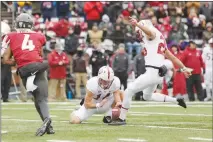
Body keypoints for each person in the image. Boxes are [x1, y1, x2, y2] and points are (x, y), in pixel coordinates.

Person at [109, 17, 193, 125]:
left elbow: (150, 33)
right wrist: (184, 68)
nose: (139, 35)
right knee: (147, 96)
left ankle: (121, 118)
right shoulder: (160, 38)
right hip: (158, 74)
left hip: (152, 72)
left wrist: (138, 25)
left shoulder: (151, 34)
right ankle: (176, 101)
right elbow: (173, 57)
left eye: (139, 32)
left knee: (128, 91)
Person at [2, 13, 54, 136]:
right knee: (42, 100)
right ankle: (48, 123)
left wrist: (16, 61)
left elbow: (5, 59)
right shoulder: (39, 36)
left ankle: (49, 125)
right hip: (39, 67)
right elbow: (40, 54)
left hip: (25, 69)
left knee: (36, 98)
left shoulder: (11, 36)